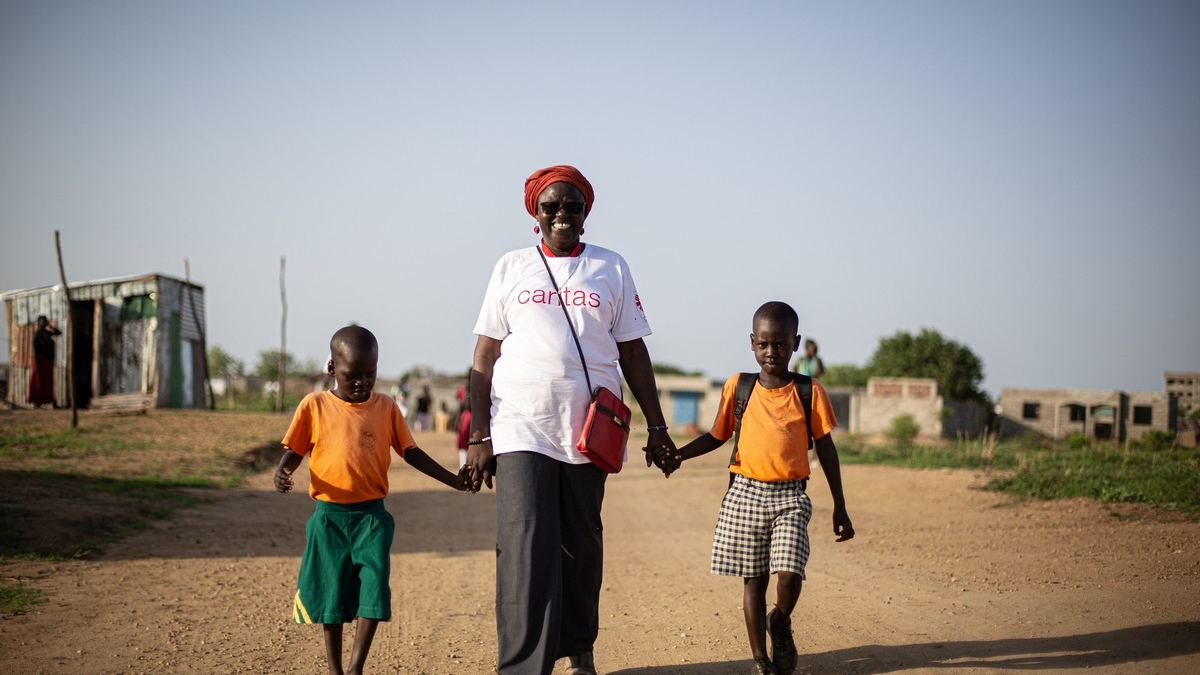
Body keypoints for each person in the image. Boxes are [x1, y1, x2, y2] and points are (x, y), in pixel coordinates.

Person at [463, 164, 677, 675]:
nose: (562, 214)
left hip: (588, 430)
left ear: (586, 213)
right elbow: (484, 355)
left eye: (572, 206)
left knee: (580, 543)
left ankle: (579, 647)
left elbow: (633, 352)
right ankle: (521, 666)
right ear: (535, 214)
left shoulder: (610, 267)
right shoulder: (511, 266)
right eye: (551, 206)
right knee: (523, 546)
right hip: (519, 425)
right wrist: (478, 433)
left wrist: (659, 426)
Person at [653, 302, 854, 675]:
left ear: (795, 343)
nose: (771, 352)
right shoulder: (739, 387)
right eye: (764, 344)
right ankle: (760, 660)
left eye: (780, 344)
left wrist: (840, 506)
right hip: (745, 491)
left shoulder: (809, 391)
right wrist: (679, 456)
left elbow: (826, 449)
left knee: (790, 572)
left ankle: (779, 621)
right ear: (751, 343)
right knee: (754, 579)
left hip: (791, 495)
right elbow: (717, 435)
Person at [274, 325, 468, 675]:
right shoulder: (314, 406)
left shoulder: (386, 407)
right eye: (353, 375)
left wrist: (453, 480)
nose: (363, 382)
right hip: (328, 517)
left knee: (374, 590)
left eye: (371, 374)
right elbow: (295, 448)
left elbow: (411, 452)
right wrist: (283, 470)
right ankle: (335, 668)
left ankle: (356, 668)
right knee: (329, 592)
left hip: (372, 518)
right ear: (333, 368)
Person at [28, 315, 61, 408]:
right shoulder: (37, 335)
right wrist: (37, 366)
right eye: (43, 321)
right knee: (39, 383)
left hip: (48, 361)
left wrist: (50, 326)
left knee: (48, 383)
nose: (44, 323)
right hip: (39, 362)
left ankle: (51, 401)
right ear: (39, 323)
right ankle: (37, 402)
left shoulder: (47, 333)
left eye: (45, 321)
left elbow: (59, 332)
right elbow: (35, 351)